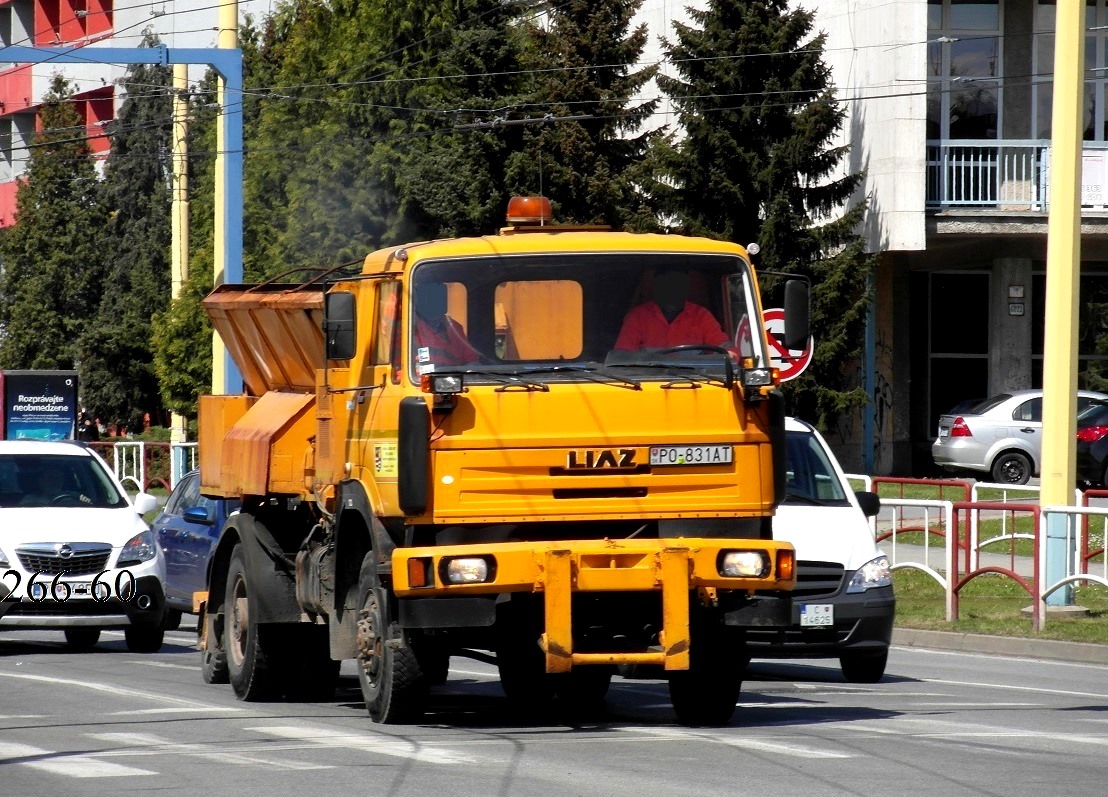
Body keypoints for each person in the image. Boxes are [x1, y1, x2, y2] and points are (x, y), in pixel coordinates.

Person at [613, 269, 729, 351]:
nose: (672, 291)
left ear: (685, 289)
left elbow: (724, 348)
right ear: (656, 288)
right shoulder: (637, 316)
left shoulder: (702, 316)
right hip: (647, 381)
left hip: (697, 381)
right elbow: (623, 354)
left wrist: (730, 354)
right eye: (666, 285)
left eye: (678, 286)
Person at [413, 282, 482, 366]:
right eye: (428, 298)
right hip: (420, 377)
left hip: (452, 376)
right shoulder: (409, 326)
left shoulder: (455, 328)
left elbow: (472, 360)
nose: (433, 302)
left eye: (437, 298)